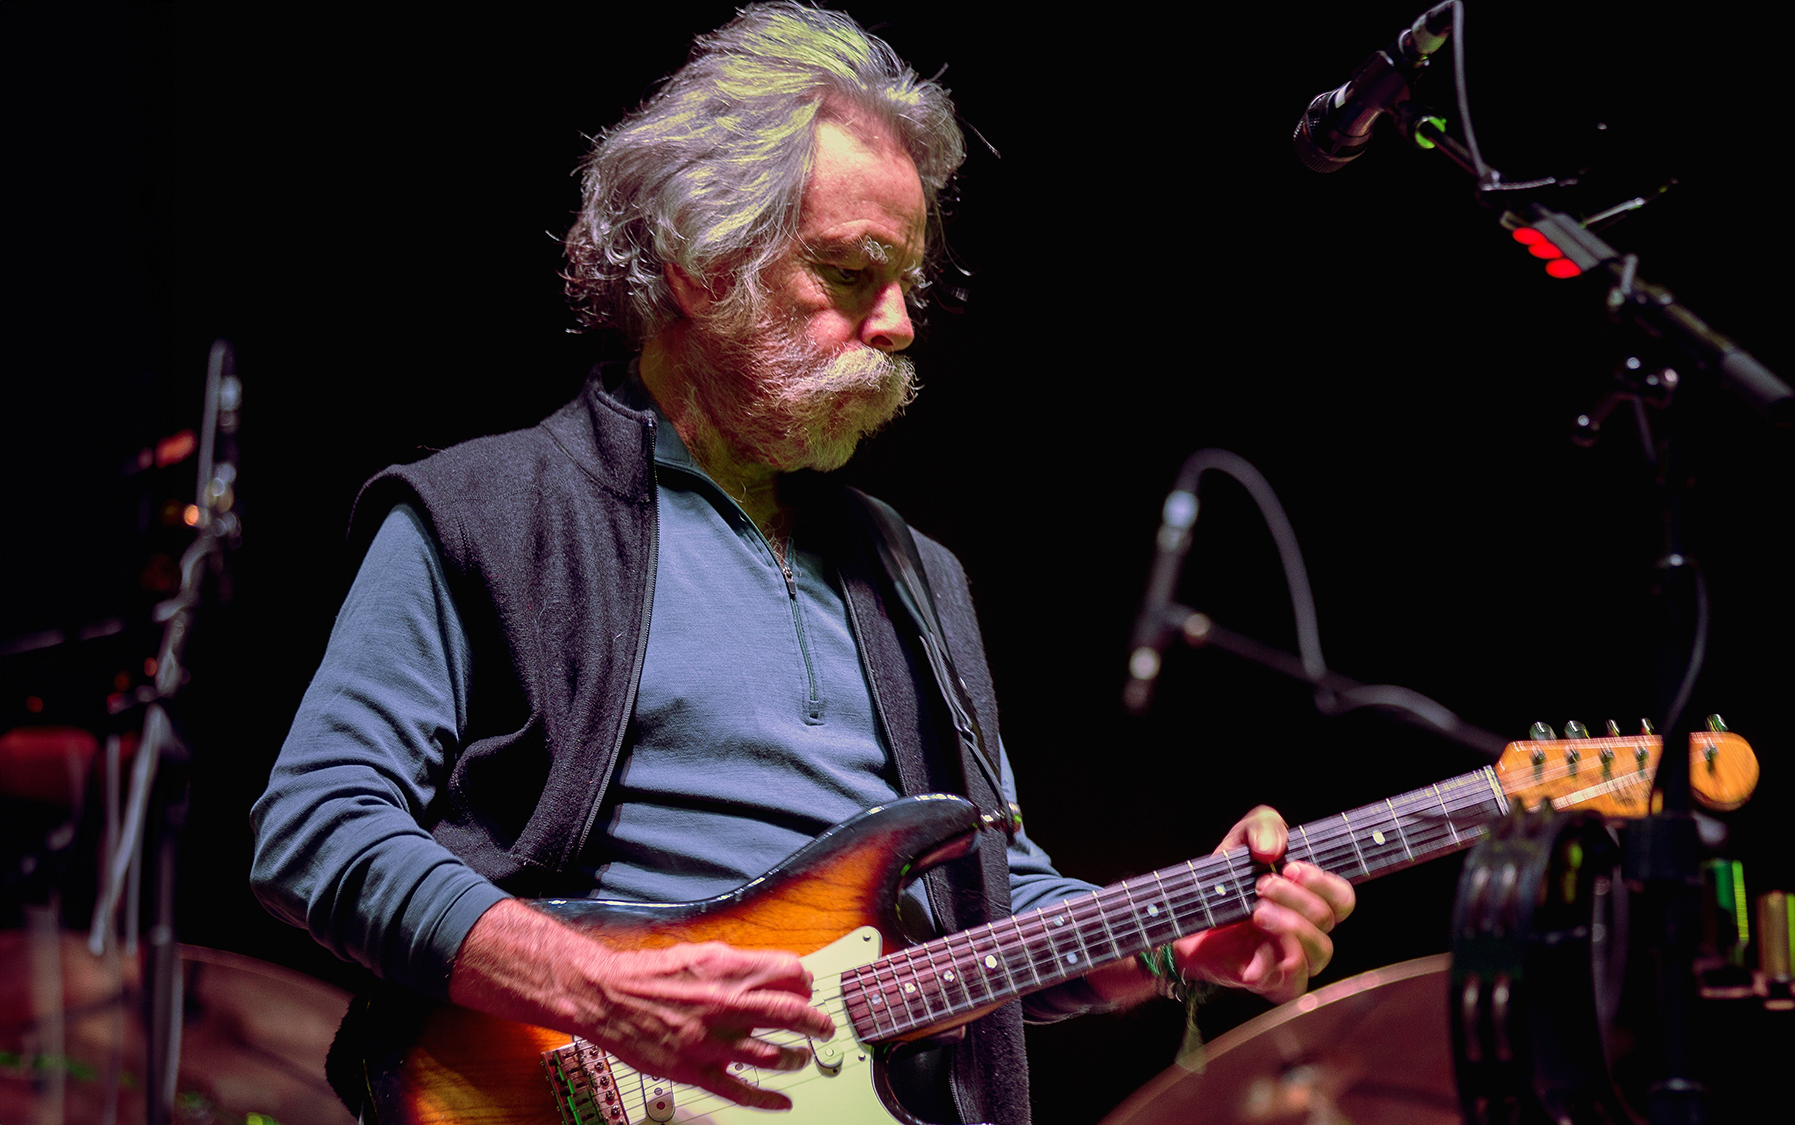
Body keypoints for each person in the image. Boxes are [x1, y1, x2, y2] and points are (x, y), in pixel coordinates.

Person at [249, 6, 1354, 1123]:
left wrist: (1170, 943)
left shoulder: (916, 578)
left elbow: (988, 911)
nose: (899, 326)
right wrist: (597, 988)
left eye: (908, 285)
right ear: (696, 263)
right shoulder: (487, 514)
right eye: (850, 272)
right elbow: (316, 826)